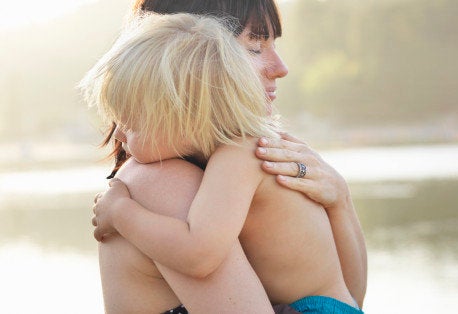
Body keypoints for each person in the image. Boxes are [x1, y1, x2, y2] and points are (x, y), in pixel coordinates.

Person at [94, 0, 366, 311]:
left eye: (132, 119)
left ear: (185, 103)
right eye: (255, 46)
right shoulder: (247, 152)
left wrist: (119, 213)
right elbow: (349, 300)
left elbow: (199, 254)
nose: (119, 133)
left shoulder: (238, 157)